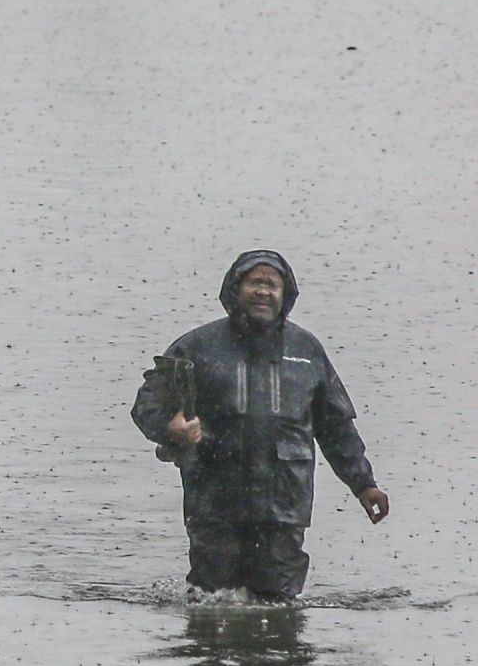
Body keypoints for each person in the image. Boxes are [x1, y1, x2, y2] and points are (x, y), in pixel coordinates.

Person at [131, 250, 389, 601]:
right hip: (214, 503)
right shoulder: (197, 346)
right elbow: (147, 403)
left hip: (284, 506)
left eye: (272, 284)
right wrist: (171, 428)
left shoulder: (306, 350)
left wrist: (364, 484)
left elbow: (336, 428)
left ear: (285, 296)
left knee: (278, 602)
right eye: (255, 282)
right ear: (235, 291)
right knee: (210, 601)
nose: (263, 291)